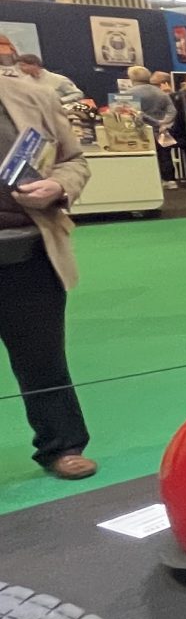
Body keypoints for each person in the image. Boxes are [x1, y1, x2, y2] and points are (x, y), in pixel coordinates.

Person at [0, 70, 95, 479]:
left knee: (43, 359)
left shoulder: (34, 96)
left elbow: (74, 160)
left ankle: (62, 445)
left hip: (28, 252)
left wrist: (58, 186)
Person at [12, 56, 85, 109]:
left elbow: (78, 94)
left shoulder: (59, 79)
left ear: (35, 65)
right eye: (19, 66)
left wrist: (60, 101)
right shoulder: (24, 81)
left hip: (60, 113)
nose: (21, 68)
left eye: (23, 65)